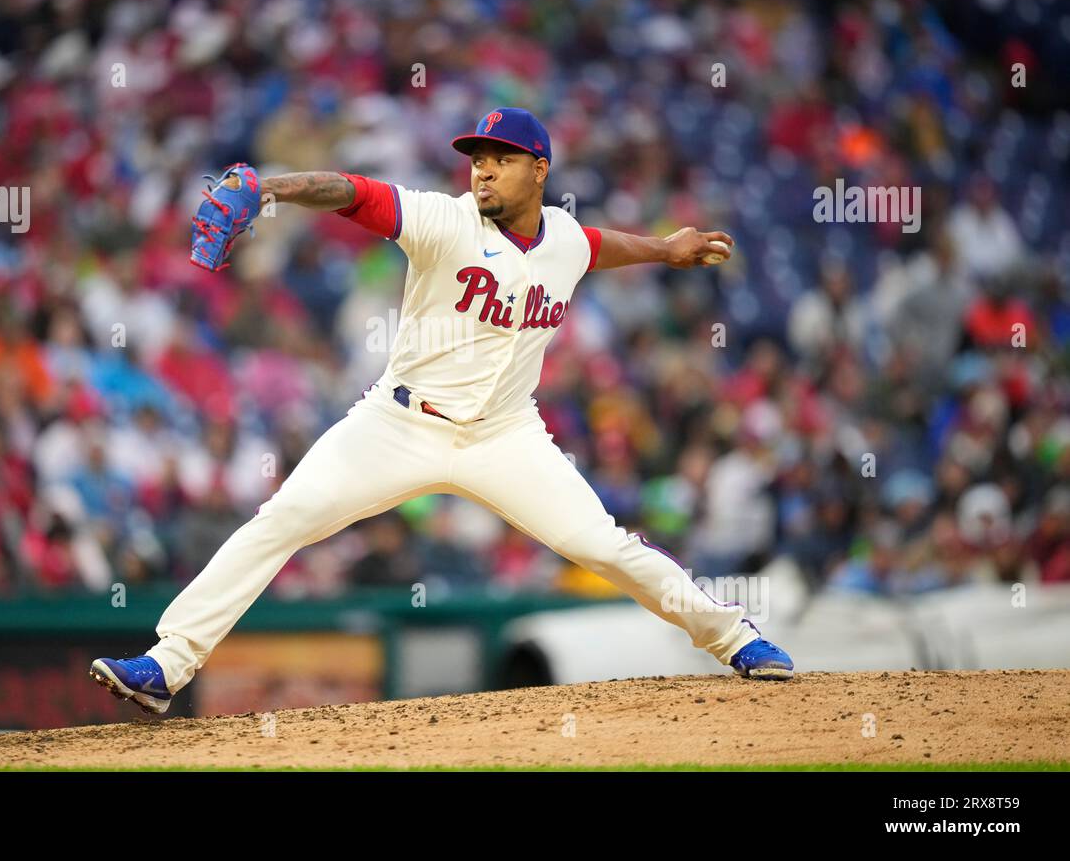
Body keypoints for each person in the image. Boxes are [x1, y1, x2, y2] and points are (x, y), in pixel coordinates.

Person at [90, 108, 794, 714]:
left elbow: (600, 247)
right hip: (398, 424)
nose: (482, 171)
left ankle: (735, 639)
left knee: (602, 546)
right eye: (476, 159)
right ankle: (167, 664)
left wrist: (667, 249)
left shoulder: (567, 240)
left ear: (540, 170)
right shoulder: (441, 221)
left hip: (506, 436)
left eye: (501, 159)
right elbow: (350, 192)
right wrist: (269, 190)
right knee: (284, 519)